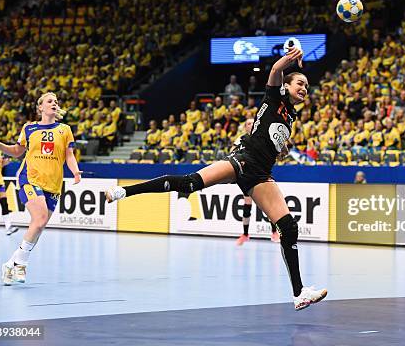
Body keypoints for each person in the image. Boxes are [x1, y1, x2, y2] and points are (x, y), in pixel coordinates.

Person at [105, 48, 327, 310]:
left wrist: (282, 146)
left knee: (288, 227)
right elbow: (276, 71)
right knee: (189, 183)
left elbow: (273, 134)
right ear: (286, 86)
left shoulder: (291, 114)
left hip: (261, 174)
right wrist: (290, 60)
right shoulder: (273, 95)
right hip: (243, 160)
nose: (305, 88)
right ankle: (125, 192)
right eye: (300, 83)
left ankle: (299, 293)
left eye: (307, 85)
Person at [0, 92, 82, 285]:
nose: (54, 103)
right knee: (41, 218)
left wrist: (75, 172)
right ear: (41, 107)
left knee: (39, 226)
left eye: (56, 101)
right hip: (30, 178)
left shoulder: (65, 129)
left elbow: (69, 155)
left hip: (53, 184)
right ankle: (22, 264)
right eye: (50, 101)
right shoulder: (29, 128)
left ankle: (10, 263)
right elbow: (17, 151)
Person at [232, 118, 280, 245]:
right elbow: (232, 152)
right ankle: (245, 234)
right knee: (247, 204)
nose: (251, 125)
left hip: (260, 174)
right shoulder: (240, 139)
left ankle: (274, 232)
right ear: (245, 127)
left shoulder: (261, 137)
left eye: (253, 123)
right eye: (248, 123)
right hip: (246, 175)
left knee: (267, 205)